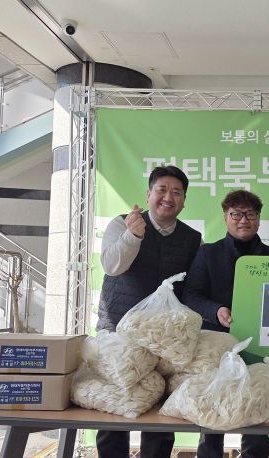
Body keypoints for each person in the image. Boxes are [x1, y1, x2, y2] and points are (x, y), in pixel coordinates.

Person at [96, 165, 202, 458]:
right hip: (118, 330)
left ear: (184, 201)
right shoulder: (121, 223)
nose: (168, 197)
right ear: (148, 194)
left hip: (165, 338)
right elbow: (112, 266)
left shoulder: (193, 239)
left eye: (177, 192)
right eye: (162, 190)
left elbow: (193, 288)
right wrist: (132, 235)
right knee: (115, 404)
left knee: (160, 409)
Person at [182, 189, 269, 458]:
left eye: (250, 214)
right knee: (212, 411)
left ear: (259, 219)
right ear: (225, 217)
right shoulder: (208, 253)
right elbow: (191, 295)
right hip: (216, 344)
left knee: (257, 409)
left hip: (261, 345)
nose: (244, 220)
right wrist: (216, 310)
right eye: (236, 214)